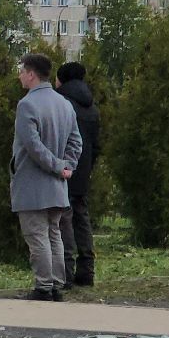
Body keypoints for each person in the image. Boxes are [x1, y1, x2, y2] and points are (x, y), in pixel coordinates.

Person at [10, 52, 83, 301]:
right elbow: (76, 140)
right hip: (58, 184)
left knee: (37, 236)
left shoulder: (27, 104)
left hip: (34, 183)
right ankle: (56, 284)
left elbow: (33, 146)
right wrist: (68, 166)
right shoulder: (64, 103)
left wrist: (56, 166)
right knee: (54, 234)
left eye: (22, 71)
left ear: (31, 74)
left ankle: (43, 286)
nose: (20, 76)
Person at [56, 62, 102, 287]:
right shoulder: (91, 107)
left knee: (63, 219)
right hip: (83, 170)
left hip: (63, 167)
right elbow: (96, 145)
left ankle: (66, 271)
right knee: (82, 217)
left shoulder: (62, 104)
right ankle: (87, 269)